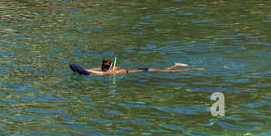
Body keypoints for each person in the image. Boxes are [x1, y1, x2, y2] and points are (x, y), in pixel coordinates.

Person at [70, 58, 199, 76]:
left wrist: (87, 71)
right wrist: (85, 68)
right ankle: (175, 65)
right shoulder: (109, 68)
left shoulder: (114, 72)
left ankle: (192, 69)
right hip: (139, 69)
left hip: (143, 70)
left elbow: (102, 74)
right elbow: (99, 70)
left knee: (166, 72)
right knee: (165, 70)